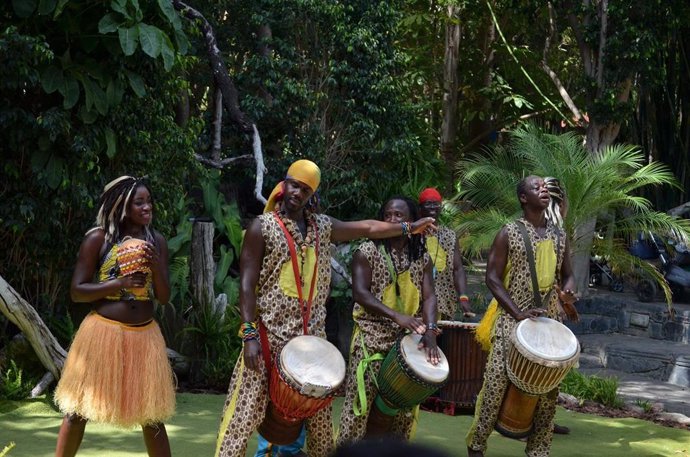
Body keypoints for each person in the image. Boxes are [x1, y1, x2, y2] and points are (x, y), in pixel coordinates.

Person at [215, 160, 435, 457]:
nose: (297, 192)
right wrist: (249, 335)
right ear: (284, 184)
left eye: (305, 189)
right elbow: (246, 285)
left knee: (321, 437)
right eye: (294, 185)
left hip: (313, 348)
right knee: (239, 423)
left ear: (311, 194)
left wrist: (409, 226)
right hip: (269, 339)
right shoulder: (261, 227)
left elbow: (368, 227)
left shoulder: (322, 226)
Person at [54, 176, 175, 457]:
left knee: (153, 416)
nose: (147, 207)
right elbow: (77, 291)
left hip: (145, 336)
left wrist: (156, 266)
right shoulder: (99, 239)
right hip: (102, 334)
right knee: (77, 410)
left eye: (149, 201)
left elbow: (164, 297)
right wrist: (118, 284)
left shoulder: (156, 241)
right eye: (139, 202)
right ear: (122, 206)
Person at [466, 175, 578, 457]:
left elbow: (568, 275)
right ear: (523, 198)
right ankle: (477, 446)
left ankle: (538, 450)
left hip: (548, 324)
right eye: (535, 187)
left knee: (548, 396)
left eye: (544, 187)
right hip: (510, 321)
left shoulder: (559, 236)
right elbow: (492, 278)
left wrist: (568, 292)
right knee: (493, 388)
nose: (543, 190)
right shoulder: (508, 232)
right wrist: (517, 313)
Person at [337, 196, 439, 444]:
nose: (392, 220)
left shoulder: (421, 257)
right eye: (388, 216)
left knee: (402, 413)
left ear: (412, 222)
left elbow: (429, 297)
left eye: (399, 216)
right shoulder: (367, 251)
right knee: (358, 409)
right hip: (370, 338)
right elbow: (361, 294)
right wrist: (397, 316)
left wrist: (431, 332)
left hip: (406, 343)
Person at [418, 188, 474, 320]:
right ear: (420, 207)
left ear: (441, 207)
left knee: (443, 339)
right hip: (417, 301)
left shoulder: (449, 235)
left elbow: (458, 268)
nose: (432, 207)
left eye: (436, 203)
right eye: (428, 203)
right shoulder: (412, 234)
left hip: (443, 300)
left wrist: (463, 297)